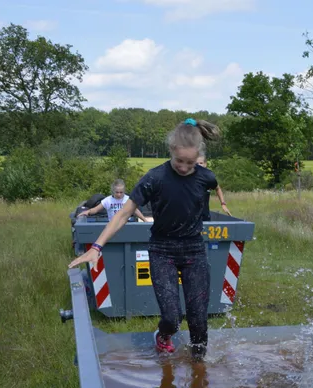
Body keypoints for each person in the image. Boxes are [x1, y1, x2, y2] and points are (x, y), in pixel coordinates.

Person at [68, 118, 221, 359]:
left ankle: (198, 373)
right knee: (172, 317)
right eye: (179, 161)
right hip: (163, 251)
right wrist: (96, 246)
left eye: (190, 163)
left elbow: (201, 201)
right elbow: (123, 213)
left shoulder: (206, 178)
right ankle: (162, 335)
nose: (183, 167)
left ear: (199, 158)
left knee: (199, 321)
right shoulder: (155, 178)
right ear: (171, 151)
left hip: (194, 250)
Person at [76, 179, 150, 222]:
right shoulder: (108, 200)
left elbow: (135, 211)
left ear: (124, 191)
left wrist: (145, 221)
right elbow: (96, 210)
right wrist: (87, 212)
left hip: (127, 224)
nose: (119, 194)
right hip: (112, 225)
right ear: (113, 191)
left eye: (121, 192)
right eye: (117, 192)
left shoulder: (128, 199)